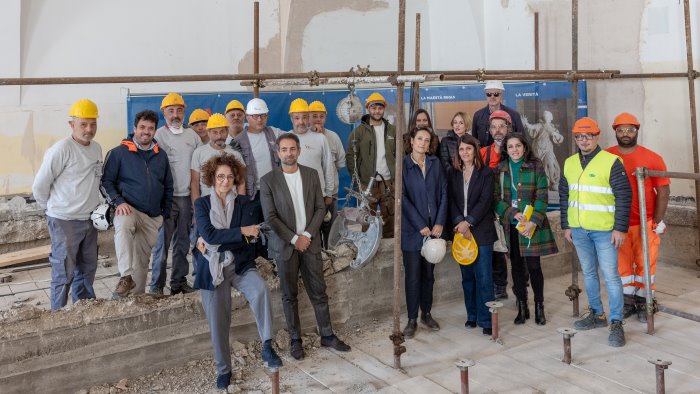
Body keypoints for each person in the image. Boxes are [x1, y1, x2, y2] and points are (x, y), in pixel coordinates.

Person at [193, 154, 281, 389]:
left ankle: (267, 345)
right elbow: (209, 235)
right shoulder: (201, 204)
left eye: (229, 177)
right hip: (212, 269)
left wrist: (217, 239)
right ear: (212, 178)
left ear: (235, 179)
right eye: (220, 176)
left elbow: (242, 240)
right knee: (218, 321)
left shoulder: (244, 204)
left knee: (260, 289)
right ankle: (224, 370)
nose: (224, 181)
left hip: (240, 264)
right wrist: (240, 232)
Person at [260, 133, 351, 360]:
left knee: (319, 291)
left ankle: (327, 335)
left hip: (310, 243)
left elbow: (321, 208)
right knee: (289, 295)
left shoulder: (311, 175)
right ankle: (295, 340)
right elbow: (270, 217)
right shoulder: (268, 181)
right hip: (286, 246)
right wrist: (294, 239)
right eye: (284, 149)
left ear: (299, 151)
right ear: (277, 153)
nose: (289, 153)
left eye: (293, 149)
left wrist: (307, 235)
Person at [559, 117, 631, 347]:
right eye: (579, 137)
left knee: (611, 276)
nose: (583, 141)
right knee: (589, 274)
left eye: (588, 136)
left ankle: (616, 322)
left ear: (597, 136)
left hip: (604, 231)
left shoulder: (611, 162)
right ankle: (597, 315)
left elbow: (623, 196)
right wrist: (566, 224)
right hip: (579, 230)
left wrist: (620, 228)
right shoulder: (569, 163)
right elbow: (564, 195)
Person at [32, 98, 103, 310]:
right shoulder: (61, 149)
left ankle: (83, 309)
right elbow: (39, 186)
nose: (89, 129)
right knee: (64, 271)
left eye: (93, 124)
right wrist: (53, 210)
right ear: (72, 125)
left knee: (87, 268)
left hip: (89, 221)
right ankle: (58, 314)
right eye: (83, 124)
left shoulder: (97, 148)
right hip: (64, 221)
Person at [101, 110, 174, 297]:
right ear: (134, 129)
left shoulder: (161, 156)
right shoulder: (118, 153)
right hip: (129, 208)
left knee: (142, 261)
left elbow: (168, 186)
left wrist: (163, 214)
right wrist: (118, 202)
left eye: (150, 128)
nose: (146, 132)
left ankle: (137, 297)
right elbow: (105, 182)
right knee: (123, 223)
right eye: (142, 127)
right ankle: (125, 276)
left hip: (153, 216)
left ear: (155, 131)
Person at [606, 113, 670, 323]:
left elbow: (663, 191)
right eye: (621, 130)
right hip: (618, 224)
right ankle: (627, 302)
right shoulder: (606, 157)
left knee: (645, 264)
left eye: (630, 130)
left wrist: (657, 221)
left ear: (637, 131)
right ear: (614, 131)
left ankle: (645, 302)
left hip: (646, 222)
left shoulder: (653, 158)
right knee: (622, 266)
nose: (625, 134)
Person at [494, 133, 559, 326]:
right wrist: (512, 213)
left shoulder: (536, 166)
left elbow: (542, 196)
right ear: (506, 149)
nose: (514, 150)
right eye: (510, 146)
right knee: (516, 268)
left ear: (524, 147)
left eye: (518, 146)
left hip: (533, 226)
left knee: (534, 267)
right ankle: (522, 307)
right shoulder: (500, 170)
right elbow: (495, 199)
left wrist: (533, 221)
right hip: (512, 226)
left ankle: (539, 306)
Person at [150, 93, 202, 295]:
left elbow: (198, 168)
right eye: (171, 111)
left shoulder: (193, 137)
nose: (175, 115)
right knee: (161, 244)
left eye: (179, 110)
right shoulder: (158, 136)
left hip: (187, 198)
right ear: (163, 113)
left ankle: (178, 283)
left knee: (182, 243)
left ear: (184, 111)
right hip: (166, 200)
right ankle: (156, 285)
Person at [447, 134, 497, 336]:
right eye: (461, 149)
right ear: (457, 152)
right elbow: (450, 199)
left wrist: (469, 222)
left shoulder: (485, 173)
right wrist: (460, 222)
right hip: (461, 231)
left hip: (481, 230)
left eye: (469, 149)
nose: (465, 152)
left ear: (475, 150)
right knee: (467, 277)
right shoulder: (452, 172)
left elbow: (486, 201)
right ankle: (472, 315)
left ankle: (486, 320)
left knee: (484, 277)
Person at [401, 127, 447, 338]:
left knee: (428, 275)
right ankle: (411, 318)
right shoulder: (403, 165)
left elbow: (444, 193)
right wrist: (420, 224)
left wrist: (439, 223)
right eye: (419, 139)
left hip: (433, 230)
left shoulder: (435, 164)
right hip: (413, 230)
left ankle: (426, 313)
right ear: (412, 141)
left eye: (427, 140)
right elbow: (402, 199)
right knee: (413, 276)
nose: (423, 143)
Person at [233, 98, 283, 259]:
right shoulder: (238, 141)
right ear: (248, 117)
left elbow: (296, 138)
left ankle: (271, 262)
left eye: (263, 116)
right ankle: (252, 265)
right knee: (251, 230)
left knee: (272, 228)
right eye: (255, 116)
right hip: (251, 194)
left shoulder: (274, 134)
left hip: (272, 192)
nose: (259, 119)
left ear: (267, 116)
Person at [346, 92, 396, 238]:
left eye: (380, 108)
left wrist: (395, 178)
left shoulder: (392, 130)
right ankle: (367, 245)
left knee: (390, 217)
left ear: (384, 109)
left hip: (388, 182)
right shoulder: (359, 132)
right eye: (373, 108)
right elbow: (351, 157)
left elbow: (400, 153)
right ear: (368, 109)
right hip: (367, 184)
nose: (377, 111)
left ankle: (389, 248)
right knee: (366, 218)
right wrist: (359, 182)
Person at [479, 110, 512, 301]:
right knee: (497, 248)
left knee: (516, 250)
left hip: (512, 208)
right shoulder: (483, 153)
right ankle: (500, 285)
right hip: (491, 208)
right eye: (494, 127)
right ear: (489, 130)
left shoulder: (516, 149)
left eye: (501, 126)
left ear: (508, 127)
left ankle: (521, 286)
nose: (498, 131)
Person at [309, 100, 346, 248]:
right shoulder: (302, 138)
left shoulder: (333, 137)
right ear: (308, 117)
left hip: (331, 193)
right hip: (310, 195)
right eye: (314, 116)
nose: (318, 119)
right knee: (312, 230)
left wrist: (328, 181)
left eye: (321, 116)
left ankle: (331, 255)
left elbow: (340, 163)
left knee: (330, 228)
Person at [288, 98, 335, 207]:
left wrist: (329, 193)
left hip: (318, 194)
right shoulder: (285, 138)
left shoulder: (320, 138)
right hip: (293, 195)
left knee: (319, 224)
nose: (301, 122)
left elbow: (328, 166)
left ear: (308, 118)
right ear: (291, 119)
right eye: (297, 118)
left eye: (304, 117)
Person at [190, 113, 246, 204]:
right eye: (215, 132)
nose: (219, 136)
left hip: (232, 203)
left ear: (227, 132)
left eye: (222, 131)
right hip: (207, 204)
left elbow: (241, 182)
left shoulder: (235, 153)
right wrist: (197, 208)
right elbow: (194, 183)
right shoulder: (198, 153)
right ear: (208, 133)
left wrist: (241, 206)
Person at [471, 80, 525, 148]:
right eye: (489, 94)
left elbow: (522, 139)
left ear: (501, 95)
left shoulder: (514, 115)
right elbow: (474, 141)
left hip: (508, 156)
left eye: (496, 94)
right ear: (485, 95)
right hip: (484, 157)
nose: (492, 97)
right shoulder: (478, 115)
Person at [522, 110, 565, 190]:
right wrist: (526, 123)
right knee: (539, 166)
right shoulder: (540, 125)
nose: (546, 117)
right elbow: (532, 127)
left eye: (548, 116)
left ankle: (553, 181)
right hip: (538, 149)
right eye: (545, 115)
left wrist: (555, 134)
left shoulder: (553, 127)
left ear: (551, 118)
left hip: (548, 149)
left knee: (550, 162)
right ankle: (543, 183)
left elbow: (560, 138)